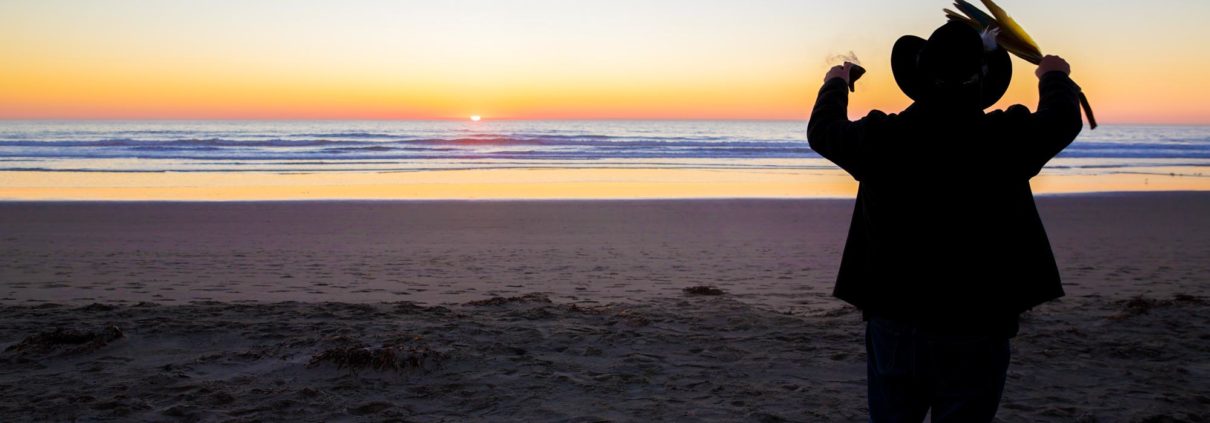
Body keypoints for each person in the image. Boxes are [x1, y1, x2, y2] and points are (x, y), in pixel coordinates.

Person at [806, 20, 1084, 422]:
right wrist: (1054, 76)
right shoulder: (1005, 137)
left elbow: (823, 131)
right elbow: (1061, 119)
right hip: (980, 320)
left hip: (898, 317)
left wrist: (836, 80)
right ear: (982, 79)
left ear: (919, 76)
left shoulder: (884, 138)